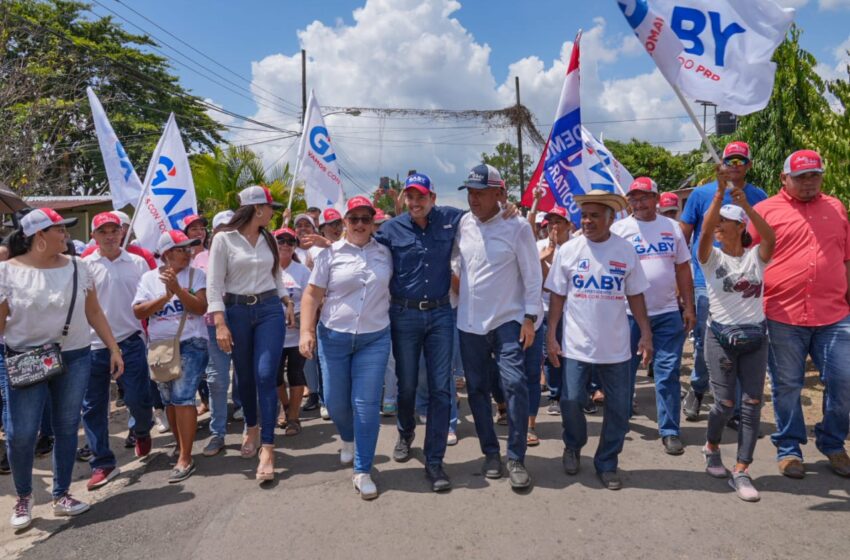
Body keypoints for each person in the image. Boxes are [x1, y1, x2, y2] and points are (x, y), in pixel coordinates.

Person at [0, 208, 124, 529]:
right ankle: (24, 497)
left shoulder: (78, 267)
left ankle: (62, 494)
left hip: (75, 356)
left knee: (67, 426)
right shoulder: (6, 272)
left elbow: (94, 312)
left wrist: (113, 347)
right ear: (39, 237)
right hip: (24, 360)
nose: (65, 234)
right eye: (58, 228)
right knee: (21, 434)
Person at [750, 150, 850, 479]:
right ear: (784, 178)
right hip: (782, 315)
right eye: (801, 177)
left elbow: (845, 257)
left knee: (843, 379)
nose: (809, 183)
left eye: (814, 175)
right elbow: (744, 258)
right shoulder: (764, 211)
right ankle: (790, 448)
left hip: (834, 314)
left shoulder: (836, 208)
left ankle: (833, 443)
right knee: (787, 385)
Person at [546, 190, 653, 490]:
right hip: (576, 344)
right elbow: (557, 295)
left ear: (610, 218)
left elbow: (636, 295)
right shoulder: (568, 251)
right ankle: (573, 444)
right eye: (585, 215)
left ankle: (607, 462)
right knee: (568, 400)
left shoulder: (625, 251)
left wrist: (645, 333)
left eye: (595, 215)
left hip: (616, 348)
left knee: (618, 408)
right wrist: (551, 334)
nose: (588, 221)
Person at [454, 164, 542, 489]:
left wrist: (531, 318)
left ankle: (516, 456)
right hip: (469, 324)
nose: (474, 199)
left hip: (508, 321)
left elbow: (533, 276)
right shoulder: (462, 224)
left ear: (499, 194)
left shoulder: (517, 226)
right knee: (476, 390)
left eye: (480, 193)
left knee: (515, 385)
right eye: (470, 193)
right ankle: (490, 453)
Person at [299, 196, 392, 500]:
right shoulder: (330, 254)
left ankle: (363, 470)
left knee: (366, 406)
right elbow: (311, 296)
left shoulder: (385, 253)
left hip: (374, 338)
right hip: (334, 338)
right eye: (354, 219)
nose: (361, 225)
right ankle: (348, 439)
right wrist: (306, 331)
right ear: (344, 223)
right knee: (337, 403)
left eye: (367, 219)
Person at [374, 172, 460, 492]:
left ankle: (434, 460)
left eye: (421, 196)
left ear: (433, 198)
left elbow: (482, 219)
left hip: (440, 315)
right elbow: (363, 248)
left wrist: (508, 210)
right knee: (406, 386)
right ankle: (405, 431)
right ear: (403, 200)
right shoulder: (390, 229)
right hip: (404, 315)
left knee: (440, 388)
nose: (415, 202)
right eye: (410, 197)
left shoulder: (451, 219)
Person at [697, 175, 775, 501]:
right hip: (719, 337)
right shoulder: (710, 258)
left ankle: (742, 469)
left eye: (725, 222)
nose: (718, 226)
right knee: (725, 404)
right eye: (718, 221)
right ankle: (711, 446)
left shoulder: (755, 256)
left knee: (752, 404)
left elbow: (771, 236)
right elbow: (703, 232)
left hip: (756, 338)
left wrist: (746, 206)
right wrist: (718, 195)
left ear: (740, 227)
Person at [207, 185, 291, 482]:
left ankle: (268, 447)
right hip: (236, 312)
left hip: (269, 309)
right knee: (243, 375)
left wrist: (285, 299)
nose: (272, 212)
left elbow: (276, 275)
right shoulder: (223, 240)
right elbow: (214, 284)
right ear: (257, 208)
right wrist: (219, 322)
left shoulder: (268, 236)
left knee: (267, 374)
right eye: (270, 207)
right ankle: (252, 426)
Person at [680, 142, 768, 422]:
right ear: (722, 164)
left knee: (742, 343)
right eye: (730, 160)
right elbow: (684, 237)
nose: (734, 165)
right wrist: (678, 280)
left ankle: (733, 406)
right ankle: (697, 388)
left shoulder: (758, 195)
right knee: (708, 343)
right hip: (707, 279)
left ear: (749, 165)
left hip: (745, 282)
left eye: (741, 160)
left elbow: (765, 238)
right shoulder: (701, 193)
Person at [611, 178, 695, 455]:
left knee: (668, 372)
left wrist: (689, 307)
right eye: (633, 198)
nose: (639, 202)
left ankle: (670, 430)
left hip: (667, 312)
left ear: (657, 198)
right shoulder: (619, 230)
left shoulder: (672, 228)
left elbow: (683, 269)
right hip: (627, 315)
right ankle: (620, 419)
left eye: (644, 197)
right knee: (625, 372)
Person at [81, 212, 153, 490]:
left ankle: (142, 429)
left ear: (122, 232)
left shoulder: (137, 263)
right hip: (93, 345)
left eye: (114, 230)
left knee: (138, 397)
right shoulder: (84, 265)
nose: (110, 235)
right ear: (94, 236)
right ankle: (102, 462)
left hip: (130, 341)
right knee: (93, 407)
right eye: (103, 231)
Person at [133, 231, 208, 483]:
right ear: (166, 254)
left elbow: (200, 307)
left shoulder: (197, 275)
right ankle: (180, 447)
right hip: (160, 348)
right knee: (169, 401)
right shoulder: (148, 278)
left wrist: (177, 290)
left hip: (192, 342)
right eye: (180, 249)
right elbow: (139, 312)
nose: (187, 252)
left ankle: (186, 457)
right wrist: (165, 297)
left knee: (183, 397)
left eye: (189, 248)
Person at [199, 209, 237, 457]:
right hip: (213, 327)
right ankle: (218, 432)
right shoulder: (200, 259)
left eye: (231, 227)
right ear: (214, 232)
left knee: (253, 375)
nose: (227, 232)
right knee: (217, 379)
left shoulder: (246, 254)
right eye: (222, 228)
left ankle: (255, 428)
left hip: (243, 321)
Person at [537, 205, 573, 419]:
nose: (554, 226)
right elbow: (542, 283)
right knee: (551, 353)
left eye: (558, 222)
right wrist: (545, 257)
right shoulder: (540, 246)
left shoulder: (578, 246)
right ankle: (555, 395)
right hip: (546, 308)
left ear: (568, 225)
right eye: (550, 222)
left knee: (572, 353)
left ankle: (575, 393)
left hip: (573, 310)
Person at [274, 227, 311, 436]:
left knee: (296, 373)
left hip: (296, 333)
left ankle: (294, 417)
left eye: (290, 241)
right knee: (275, 376)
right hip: (272, 333)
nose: (286, 245)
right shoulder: (266, 270)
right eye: (281, 241)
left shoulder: (302, 271)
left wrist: (306, 327)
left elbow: (311, 301)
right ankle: (285, 405)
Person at [183, 213, 210, 415]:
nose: (199, 232)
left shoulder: (212, 255)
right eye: (194, 229)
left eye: (202, 229)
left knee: (213, 367)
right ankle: (201, 401)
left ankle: (215, 401)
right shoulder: (183, 261)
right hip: (189, 322)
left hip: (212, 318)